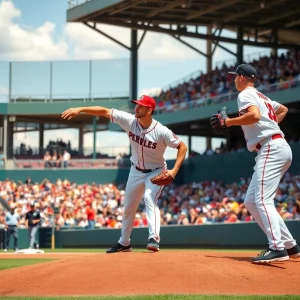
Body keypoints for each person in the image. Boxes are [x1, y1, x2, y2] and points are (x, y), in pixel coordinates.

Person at [62, 95, 187, 252]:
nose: (136, 107)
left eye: (140, 106)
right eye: (136, 104)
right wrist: (80, 109)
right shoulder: (129, 120)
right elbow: (104, 111)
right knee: (128, 208)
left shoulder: (161, 131)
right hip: (135, 170)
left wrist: (173, 171)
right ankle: (124, 243)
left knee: (149, 197)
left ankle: (154, 238)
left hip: (156, 171)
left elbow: (183, 147)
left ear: (149, 110)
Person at [223, 64, 300, 263]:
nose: (233, 80)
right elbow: (283, 109)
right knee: (251, 201)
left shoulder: (245, 95)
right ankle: (290, 245)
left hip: (270, 147)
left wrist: (229, 122)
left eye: (235, 77)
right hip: (276, 145)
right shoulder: (262, 97)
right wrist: (270, 126)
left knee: (263, 201)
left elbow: (255, 116)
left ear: (241, 77)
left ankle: (277, 248)